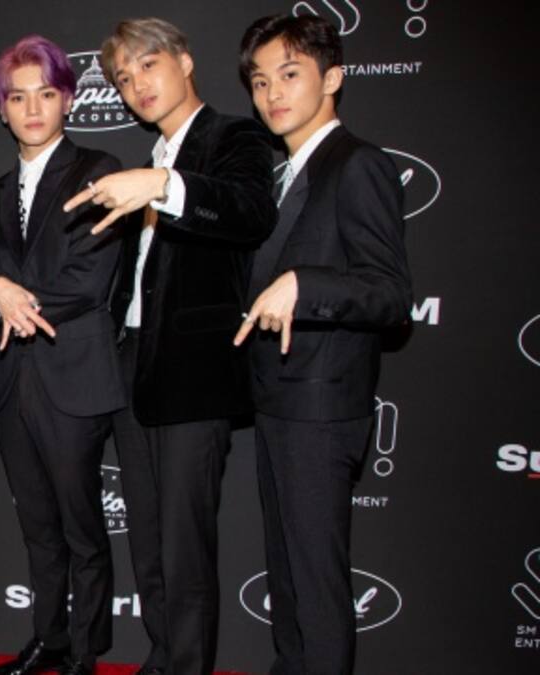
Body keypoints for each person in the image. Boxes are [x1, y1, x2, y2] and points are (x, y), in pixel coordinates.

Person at [63, 17, 277, 675]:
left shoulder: (233, 137)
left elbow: (249, 211)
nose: (136, 85)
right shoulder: (152, 156)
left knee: (184, 546)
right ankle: (163, 658)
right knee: (150, 539)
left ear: (184, 61)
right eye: (124, 78)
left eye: (148, 66)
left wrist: (161, 186)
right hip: (134, 363)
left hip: (194, 371)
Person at [236, 14, 412, 675]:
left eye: (290, 74)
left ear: (332, 78)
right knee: (287, 575)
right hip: (277, 400)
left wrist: (304, 285)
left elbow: (390, 293)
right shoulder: (281, 174)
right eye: (260, 81)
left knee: (314, 581)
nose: (272, 93)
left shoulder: (357, 164)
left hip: (322, 407)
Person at [0, 35, 125, 675]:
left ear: (68, 99)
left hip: (73, 375)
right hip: (13, 379)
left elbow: (90, 279)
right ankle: (50, 639)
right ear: (1, 109)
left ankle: (86, 654)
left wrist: (15, 299)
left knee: (82, 528)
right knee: (37, 526)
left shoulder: (99, 169)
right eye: (18, 97)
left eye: (45, 94)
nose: (32, 108)